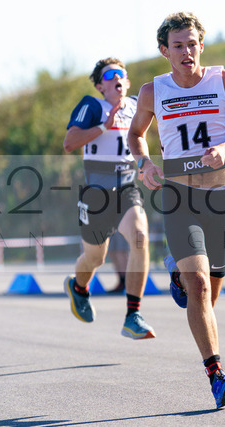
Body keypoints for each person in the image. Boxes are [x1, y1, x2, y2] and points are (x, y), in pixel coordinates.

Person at [127, 12, 225, 408]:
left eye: (192, 44)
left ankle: (176, 272)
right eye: (178, 46)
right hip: (179, 197)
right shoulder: (152, 91)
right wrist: (144, 164)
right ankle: (217, 377)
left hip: (219, 199)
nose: (186, 52)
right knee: (199, 285)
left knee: (207, 295)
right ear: (164, 51)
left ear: (201, 45)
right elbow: (135, 134)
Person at [62, 57, 155, 340]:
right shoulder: (92, 106)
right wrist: (104, 126)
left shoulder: (136, 105)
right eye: (109, 75)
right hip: (96, 193)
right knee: (95, 258)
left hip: (127, 187)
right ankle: (78, 287)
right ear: (100, 86)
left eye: (121, 74)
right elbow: (69, 143)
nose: (116, 78)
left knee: (140, 237)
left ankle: (133, 315)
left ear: (127, 82)